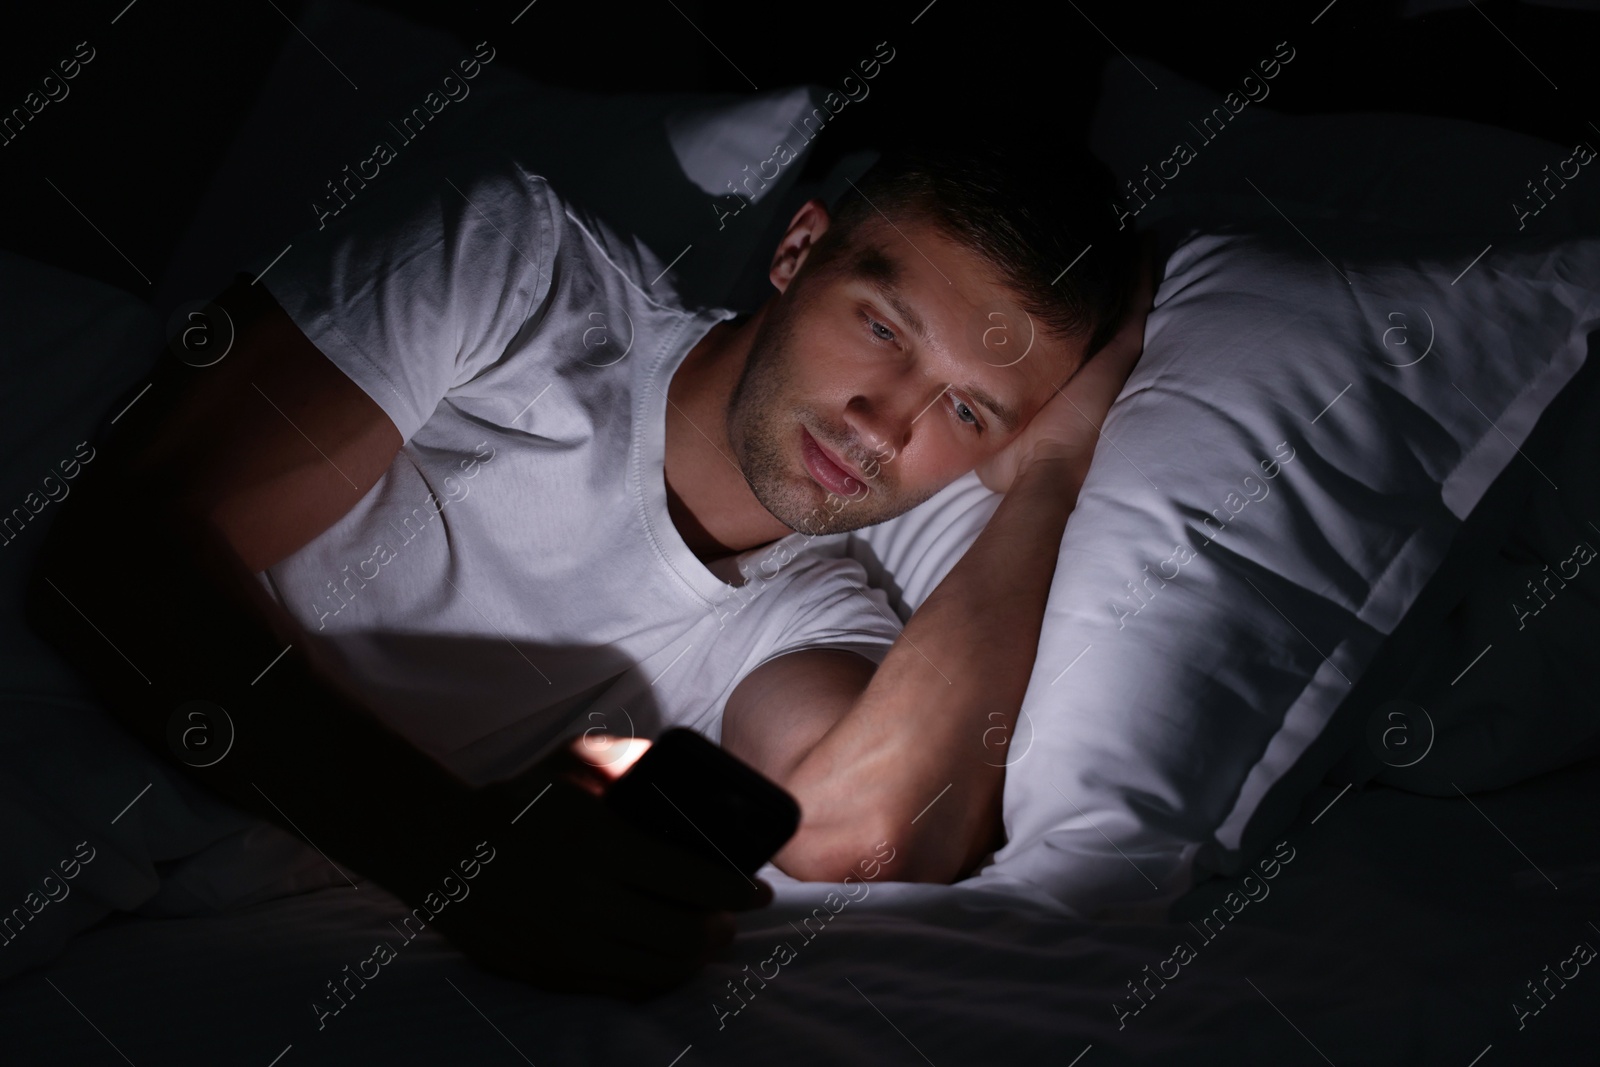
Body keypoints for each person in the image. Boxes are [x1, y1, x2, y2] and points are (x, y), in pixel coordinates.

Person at [23, 139, 1154, 999]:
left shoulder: (805, 615)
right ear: (797, 250)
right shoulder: (515, 270)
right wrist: (461, 857)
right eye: (884, 328)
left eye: (965, 408)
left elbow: (869, 835)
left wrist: (1051, 477)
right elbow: (117, 561)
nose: (884, 421)